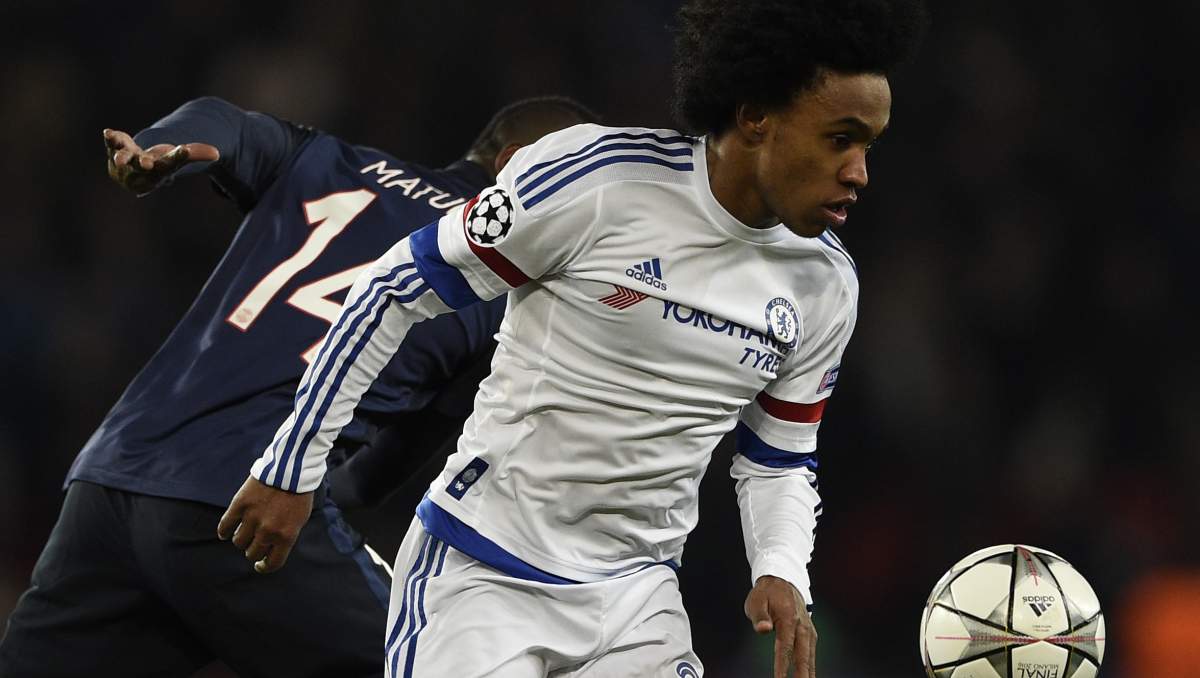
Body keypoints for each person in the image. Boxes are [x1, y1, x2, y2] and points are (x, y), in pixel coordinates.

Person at [221, 0, 927, 676]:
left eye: (869, 145)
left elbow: (779, 454)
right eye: (840, 139)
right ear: (755, 115)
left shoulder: (825, 283)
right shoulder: (600, 183)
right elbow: (394, 287)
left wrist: (780, 568)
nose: (859, 173)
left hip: (636, 604)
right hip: (482, 576)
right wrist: (292, 465)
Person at [0, 95, 596, 678]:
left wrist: (159, 146)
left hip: (109, 481)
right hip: (253, 497)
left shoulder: (330, 161)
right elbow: (383, 468)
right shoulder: (503, 285)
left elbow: (224, 123)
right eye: (581, 183)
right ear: (514, 162)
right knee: (437, 663)